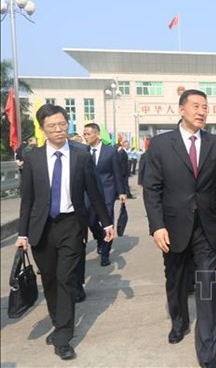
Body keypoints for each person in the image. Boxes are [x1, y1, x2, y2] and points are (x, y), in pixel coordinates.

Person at [16, 104, 114, 360]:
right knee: (48, 279)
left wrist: (107, 223)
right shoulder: (33, 158)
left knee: (65, 279)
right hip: (41, 228)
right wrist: (22, 233)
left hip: (72, 225)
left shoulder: (81, 155)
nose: (59, 130)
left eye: (63, 124)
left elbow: (94, 191)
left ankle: (63, 336)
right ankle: (59, 322)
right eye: (52, 126)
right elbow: (26, 199)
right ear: (42, 129)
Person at [142, 89, 216, 368]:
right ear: (181, 109)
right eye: (196, 106)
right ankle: (178, 321)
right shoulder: (160, 144)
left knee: (206, 284)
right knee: (177, 279)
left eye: (205, 107)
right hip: (172, 226)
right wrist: (157, 226)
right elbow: (151, 189)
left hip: (207, 226)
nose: (202, 111)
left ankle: (207, 351)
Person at [82, 123, 126, 267]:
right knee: (90, 220)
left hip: (107, 191)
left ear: (97, 134)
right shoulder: (83, 151)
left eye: (88, 134)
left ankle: (105, 254)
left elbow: (117, 173)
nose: (86, 137)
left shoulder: (110, 151)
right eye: (84, 134)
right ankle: (100, 238)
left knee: (107, 222)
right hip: (89, 193)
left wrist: (121, 191)